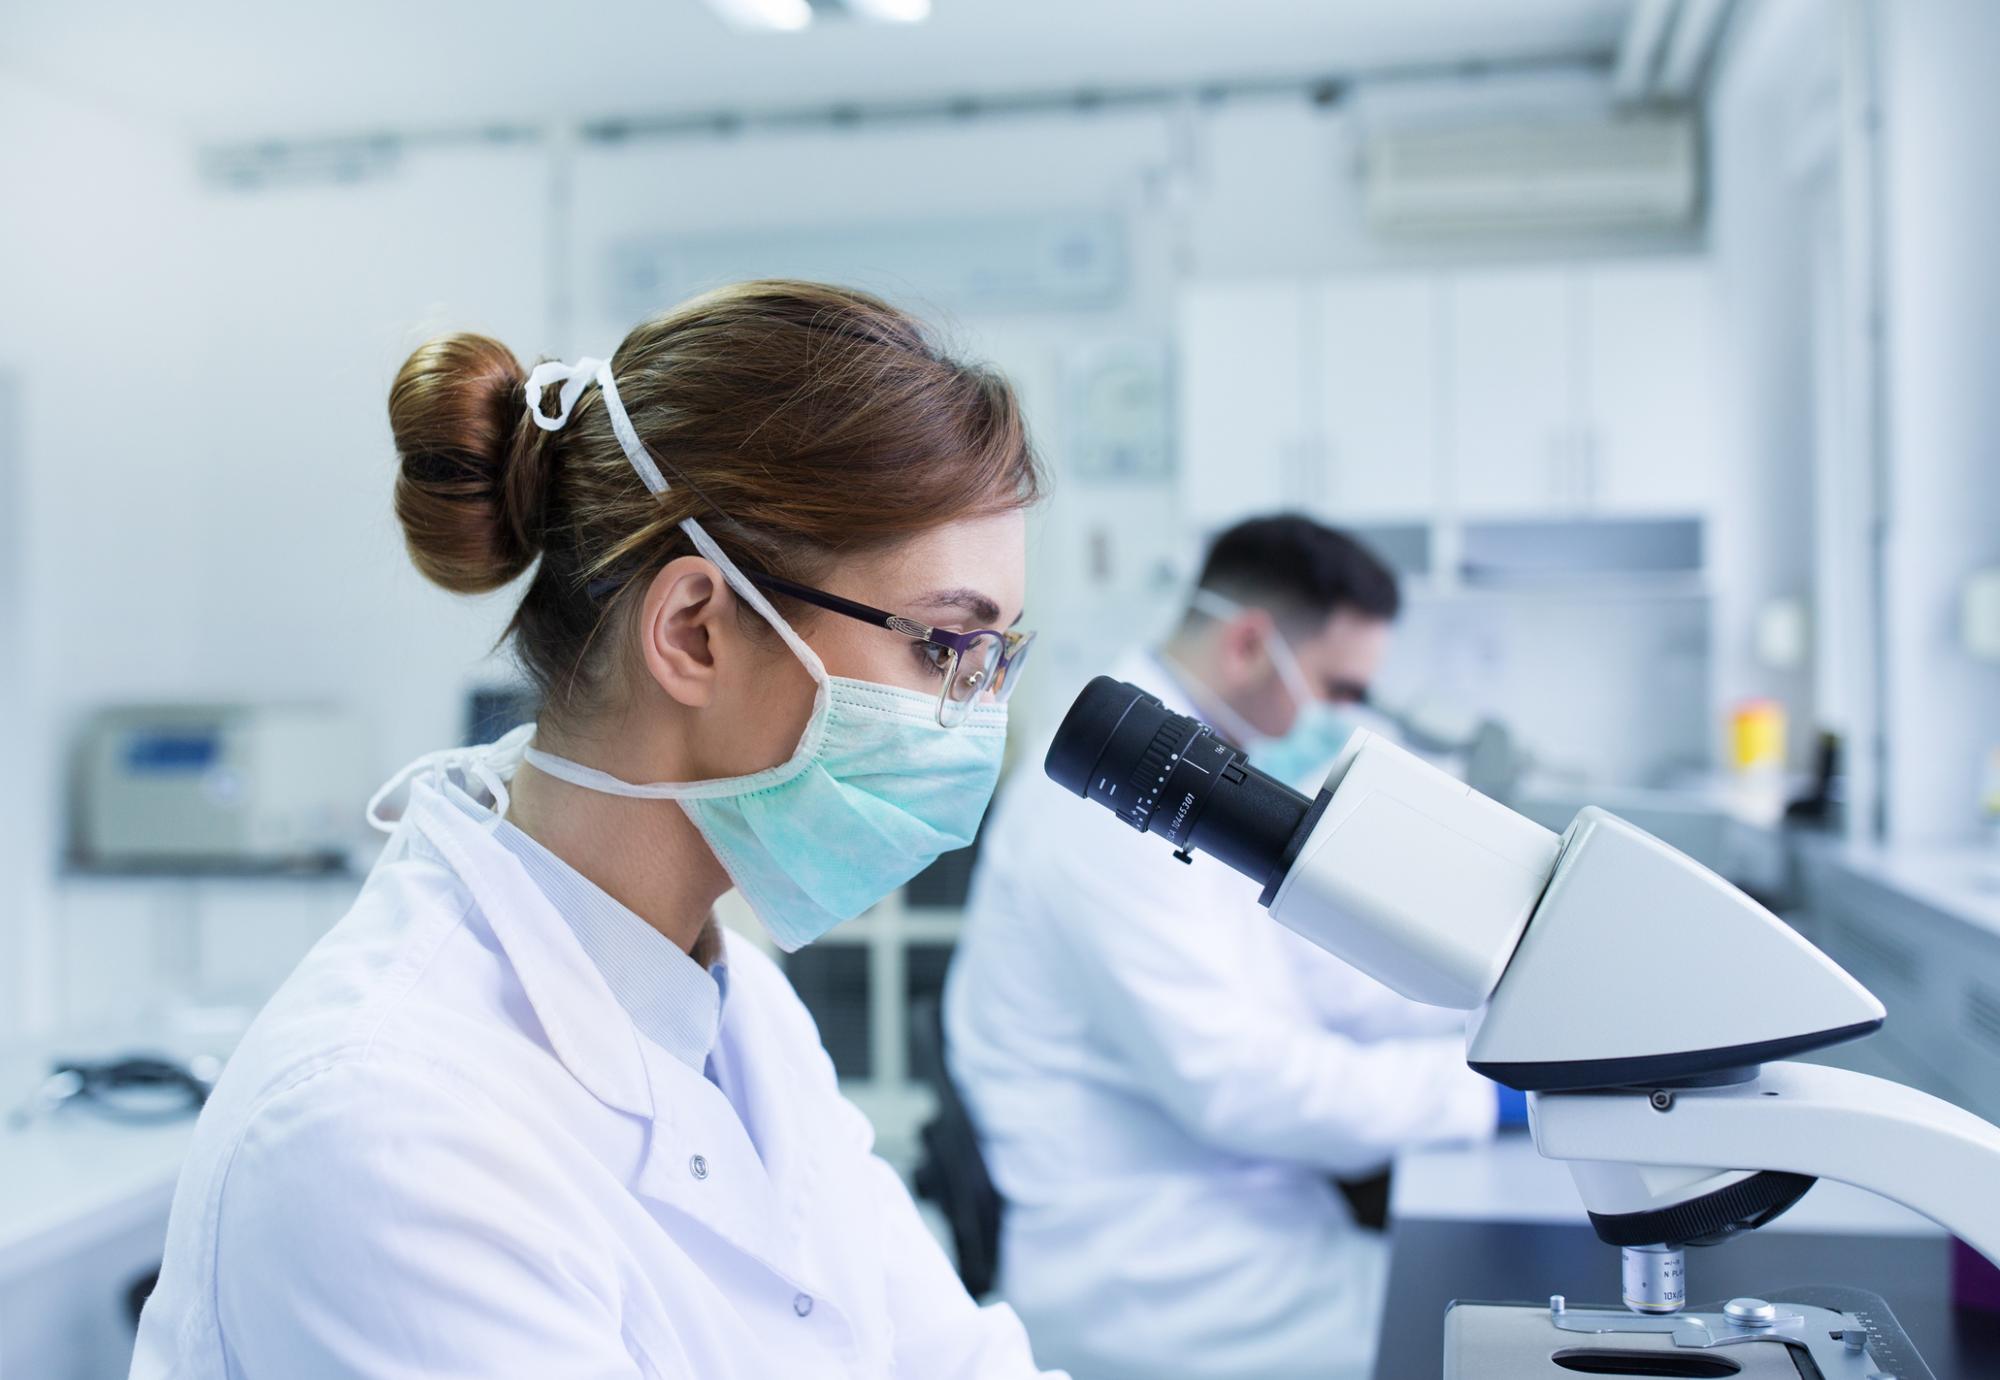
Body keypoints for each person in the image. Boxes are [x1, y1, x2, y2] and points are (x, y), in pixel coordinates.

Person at [131, 281, 1067, 1379]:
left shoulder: (742, 1015)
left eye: (995, 659)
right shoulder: (388, 1126)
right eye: (944, 648)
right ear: (695, 633)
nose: (976, 718)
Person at [946, 514, 1515, 1380]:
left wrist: (1500, 1010)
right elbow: (1240, 1083)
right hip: (1165, 1280)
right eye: (1342, 688)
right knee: (1492, 1342)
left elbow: (1322, 985)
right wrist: (1486, 1099)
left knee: (1488, 1312)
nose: (1348, 718)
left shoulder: (1206, 776)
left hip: (1250, 1227)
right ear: (1252, 644)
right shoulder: (1110, 805)